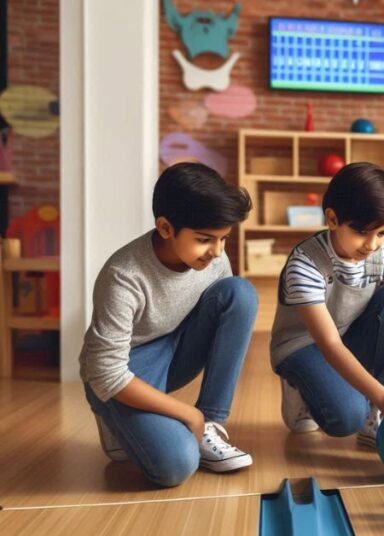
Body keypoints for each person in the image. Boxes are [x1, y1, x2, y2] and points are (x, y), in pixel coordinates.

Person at [80, 162, 257, 487]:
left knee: (240, 294)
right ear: (165, 227)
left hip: (174, 348)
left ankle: (212, 428)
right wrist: (188, 414)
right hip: (121, 373)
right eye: (205, 239)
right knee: (175, 467)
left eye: (224, 239)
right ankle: (117, 422)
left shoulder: (214, 258)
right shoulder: (123, 276)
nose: (217, 252)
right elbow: (106, 373)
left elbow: (222, 318)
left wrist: (204, 418)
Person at [271, 163, 384, 447]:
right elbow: (330, 345)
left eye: (382, 233)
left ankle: (377, 417)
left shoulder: (381, 254)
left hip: (348, 336)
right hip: (303, 345)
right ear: (332, 219)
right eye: (362, 232)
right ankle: (301, 391)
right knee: (346, 418)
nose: (372, 244)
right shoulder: (305, 264)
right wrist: (382, 396)